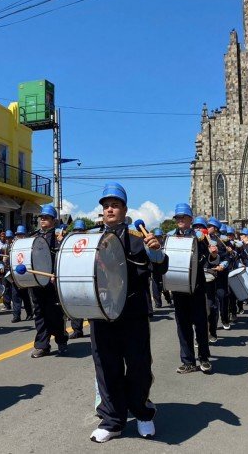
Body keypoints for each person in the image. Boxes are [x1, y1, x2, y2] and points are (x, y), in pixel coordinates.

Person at [88, 183, 166, 443]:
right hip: (101, 312)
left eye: (115, 205)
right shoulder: (91, 239)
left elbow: (160, 268)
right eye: (106, 206)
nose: (110, 209)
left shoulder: (138, 238)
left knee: (138, 365)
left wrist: (155, 252)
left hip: (133, 311)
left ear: (124, 209)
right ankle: (113, 420)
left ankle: (142, 414)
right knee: (106, 367)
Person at [173, 205, 216, 374]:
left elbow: (211, 258)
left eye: (184, 217)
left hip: (197, 287)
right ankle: (188, 361)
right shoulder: (171, 238)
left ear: (191, 219)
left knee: (200, 324)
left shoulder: (199, 238)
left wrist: (213, 253)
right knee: (182, 326)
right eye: (178, 217)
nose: (180, 220)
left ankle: (204, 358)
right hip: (178, 289)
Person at [29, 205, 68, 358]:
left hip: (52, 281)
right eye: (42, 217)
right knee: (39, 313)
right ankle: (42, 345)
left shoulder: (60, 236)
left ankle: (61, 341)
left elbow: (64, 257)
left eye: (46, 217)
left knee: (55, 313)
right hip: (37, 281)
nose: (43, 220)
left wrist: (56, 274)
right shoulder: (33, 236)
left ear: (53, 220)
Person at [68, 219, 88, 339]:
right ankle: (77, 330)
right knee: (75, 303)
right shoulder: (70, 243)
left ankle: (95, 329)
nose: (78, 232)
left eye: (80, 230)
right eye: (76, 230)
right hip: (73, 277)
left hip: (87, 276)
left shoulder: (90, 242)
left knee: (90, 302)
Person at [9, 225, 33, 323]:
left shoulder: (28, 245)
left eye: (21, 234)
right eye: (18, 235)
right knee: (15, 295)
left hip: (25, 272)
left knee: (25, 295)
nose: (20, 236)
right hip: (14, 272)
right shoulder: (12, 245)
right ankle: (16, 316)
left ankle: (30, 313)